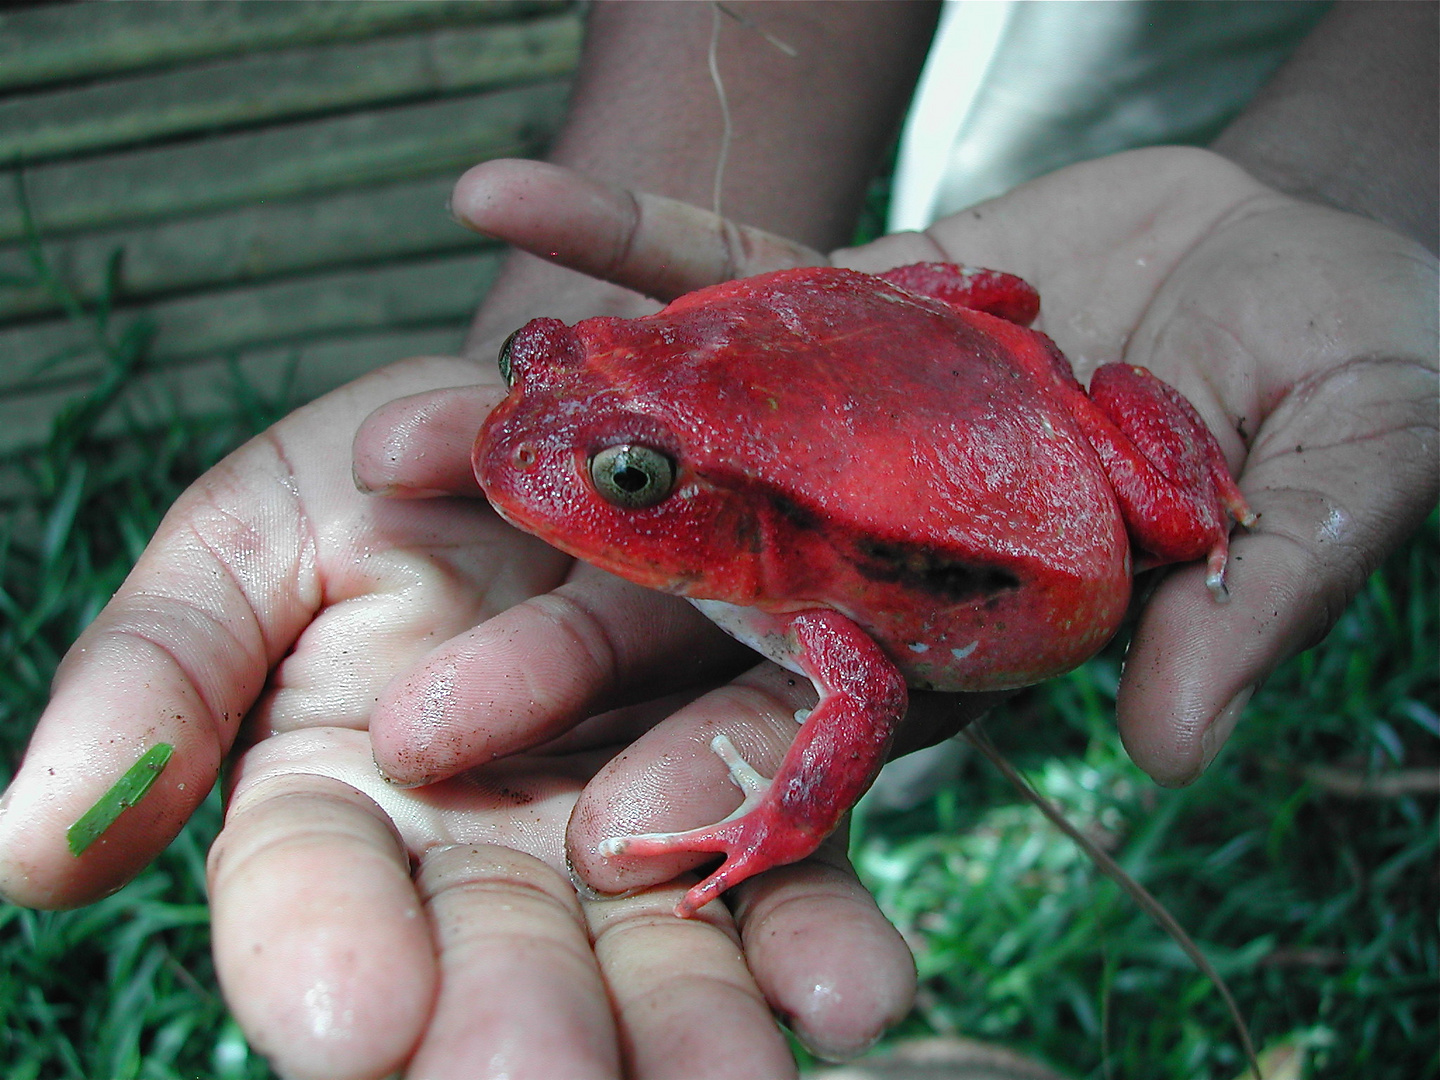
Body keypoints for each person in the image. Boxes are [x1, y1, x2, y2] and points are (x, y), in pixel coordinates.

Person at [0, 3, 1434, 1078]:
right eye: (531, 363)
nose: (531, 451)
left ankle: (1005, 682)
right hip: (956, 358)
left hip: (1034, 510)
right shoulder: (671, 408)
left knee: (1175, 514)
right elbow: (960, 301)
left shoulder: (819, 598)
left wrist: (775, 816)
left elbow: (863, 690)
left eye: (624, 476)